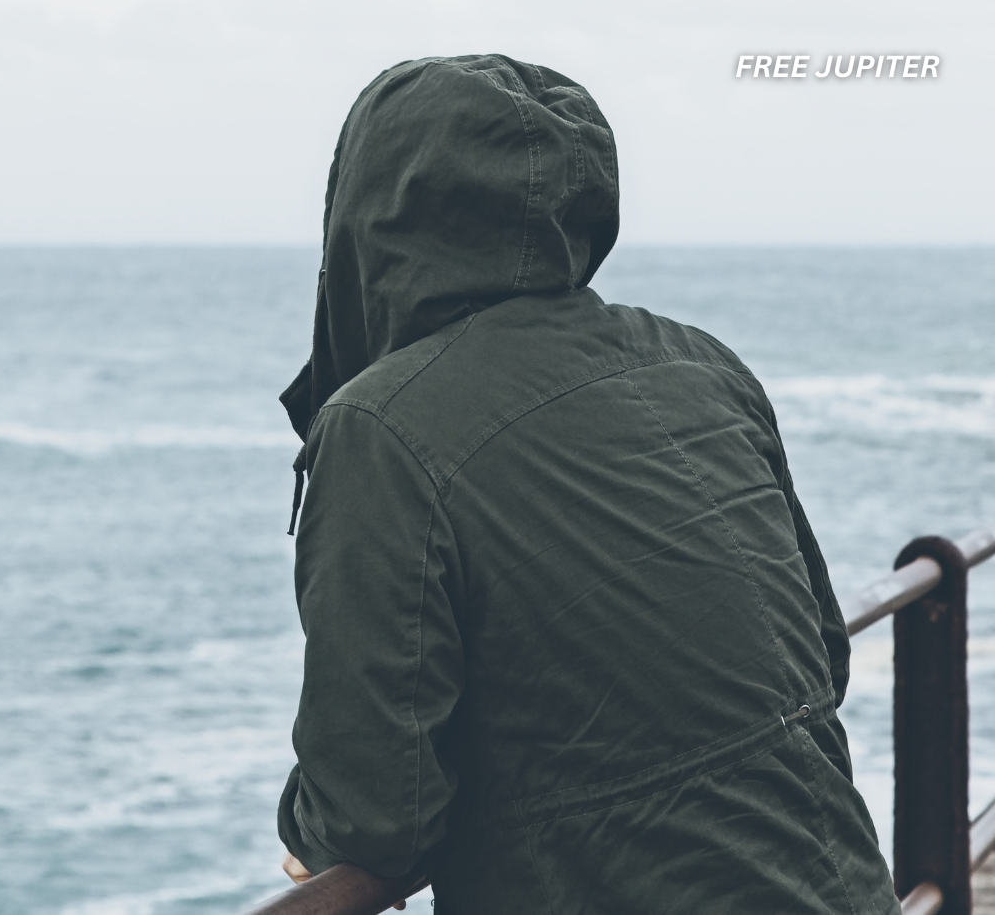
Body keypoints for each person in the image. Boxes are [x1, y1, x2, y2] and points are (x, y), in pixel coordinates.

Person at [274, 55, 899, 914]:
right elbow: (821, 652)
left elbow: (374, 818)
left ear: (368, 214)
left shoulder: (380, 425)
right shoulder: (699, 361)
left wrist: (314, 834)